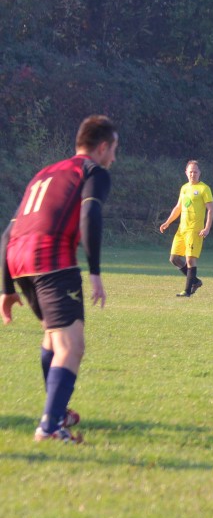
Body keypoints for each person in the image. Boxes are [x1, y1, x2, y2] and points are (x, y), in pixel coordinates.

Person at [0, 114, 119, 443]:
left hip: (18, 259)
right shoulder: (93, 171)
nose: (113, 158)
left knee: (54, 338)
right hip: (51, 258)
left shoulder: (45, 173)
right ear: (103, 146)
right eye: (114, 149)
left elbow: (7, 233)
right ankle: (50, 427)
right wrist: (95, 272)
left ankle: (58, 412)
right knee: (72, 346)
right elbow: (90, 213)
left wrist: (6, 288)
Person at [159, 160, 213, 297]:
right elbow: (178, 207)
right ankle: (195, 281)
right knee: (174, 258)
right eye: (190, 172)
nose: (192, 174)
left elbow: (210, 209)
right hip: (182, 229)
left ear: (200, 173)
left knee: (190, 259)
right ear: (186, 172)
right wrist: (167, 222)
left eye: (195, 172)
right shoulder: (184, 188)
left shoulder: (204, 189)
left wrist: (207, 228)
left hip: (194, 230)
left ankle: (187, 291)